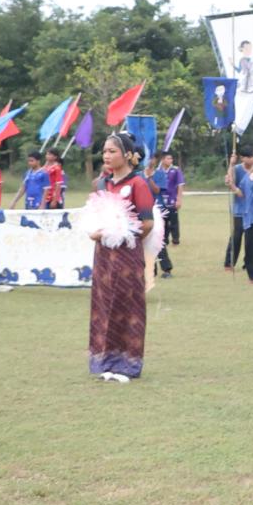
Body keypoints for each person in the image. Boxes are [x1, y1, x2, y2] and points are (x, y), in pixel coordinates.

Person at [87, 132, 155, 382]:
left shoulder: (138, 184)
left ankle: (128, 363)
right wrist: (96, 232)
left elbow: (147, 223)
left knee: (128, 305)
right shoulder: (101, 184)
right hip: (103, 255)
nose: (106, 156)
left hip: (127, 255)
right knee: (103, 304)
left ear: (127, 155)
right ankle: (104, 360)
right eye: (104, 151)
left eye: (112, 151)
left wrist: (124, 235)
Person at [224, 145, 253, 282]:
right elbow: (239, 190)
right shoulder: (245, 175)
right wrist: (232, 185)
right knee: (244, 242)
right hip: (245, 214)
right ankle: (245, 271)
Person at [150, 150, 182, 278]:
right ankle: (150, 270)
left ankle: (166, 268)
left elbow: (158, 190)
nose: (150, 161)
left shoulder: (159, 174)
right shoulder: (138, 174)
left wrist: (149, 178)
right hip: (143, 209)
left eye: (152, 159)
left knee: (158, 240)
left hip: (157, 209)